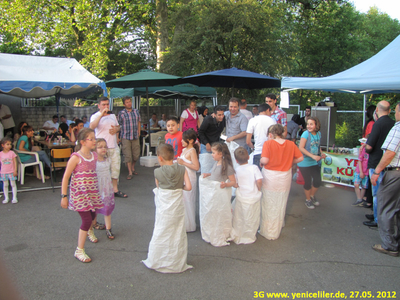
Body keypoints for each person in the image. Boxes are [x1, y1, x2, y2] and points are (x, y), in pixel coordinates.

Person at [142, 144, 192, 273]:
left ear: (160, 158)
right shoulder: (182, 169)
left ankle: (159, 258)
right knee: (177, 231)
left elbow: (158, 187)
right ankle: (176, 260)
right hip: (177, 206)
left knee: (161, 229)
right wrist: (180, 187)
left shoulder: (157, 172)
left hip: (165, 206)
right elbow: (189, 187)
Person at [60, 128, 104, 263]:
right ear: (83, 142)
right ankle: (79, 250)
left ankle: (89, 231)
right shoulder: (76, 158)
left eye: (95, 138)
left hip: (92, 193)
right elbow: (66, 177)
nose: (94, 141)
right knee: (86, 220)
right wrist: (64, 196)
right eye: (92, 139)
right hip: (80, 195)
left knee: (92, 215)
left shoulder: (94, 156)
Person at [259, 124, 303, 240]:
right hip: (285, 177)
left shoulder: (268, 143)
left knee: (268, 202)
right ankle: (278, 225)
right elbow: (300, 158)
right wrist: (289, 162)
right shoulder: (291, 144)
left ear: (270, 134)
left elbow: (265, 159)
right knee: (281, 201)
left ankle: (268, 230)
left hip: (270, 177)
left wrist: (261, 161)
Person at [370, 102, 400, 257]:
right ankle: (397, 242)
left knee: (386, 208)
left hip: (393, 173)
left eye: (396, 111)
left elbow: (389, 153)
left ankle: (389, 245)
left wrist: (376, 171)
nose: (395, 114)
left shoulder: (397, 128)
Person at [363, 101, 395, 227]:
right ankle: (377, 215)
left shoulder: (378, 124)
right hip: (389, 164)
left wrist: (365, 146)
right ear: (390, 110)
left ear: (377, 110)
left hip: (376, 162)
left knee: (376, 194)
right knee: (384, 193)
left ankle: (377, 219)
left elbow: (369, 146)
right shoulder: (394, 124)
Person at [90, 97, 127, 198]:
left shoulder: (112, 115)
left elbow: (118, 126)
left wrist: (116, 129)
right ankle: (102, 191)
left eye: (107, 104)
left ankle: (115, 190)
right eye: (103, 105)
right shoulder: (95, 116)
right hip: (101, 148)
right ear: (99, 106)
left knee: (115, 169)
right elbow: (92, 127)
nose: (106, 106)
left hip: (113, 146)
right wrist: (101, 115)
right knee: (102, 170)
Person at [201, 142, 236, 246]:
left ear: (220, 154)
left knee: (219, 213)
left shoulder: (227, 167)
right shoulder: (216, 163)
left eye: (213, 152)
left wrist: (226, 184)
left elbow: (233, 182)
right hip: (213, 194)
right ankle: (213, 230)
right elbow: (215, 174)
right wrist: (209, 174)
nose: (212, 154)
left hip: (220, 195)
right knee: (213, 212)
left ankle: (220, 231)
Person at [231, 146, 262, 244]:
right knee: (252, 215)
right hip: (253, 195)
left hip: (242, 196)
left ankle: (240, 232)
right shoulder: (254, 168)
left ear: (236, 160)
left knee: (240, 216)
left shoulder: (237, 170)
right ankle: (250, 233)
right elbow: (259, 180)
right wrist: (258, 188)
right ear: (248, 157)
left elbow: (235, 184)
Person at [297, 117, 326, 209]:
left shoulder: (318, 134)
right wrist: (313, 156)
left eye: (311, 124)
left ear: (316, 125)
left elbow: (317, 145)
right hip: (304, 161)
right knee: (308, 181)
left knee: (317, 180)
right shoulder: (305, 134)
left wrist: (321, 153)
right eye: (308, 124)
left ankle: (312, 196)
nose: (309, 126)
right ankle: (308, 199)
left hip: (313, 162)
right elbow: (301, 148)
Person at [177, 129, 200, 232]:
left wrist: (183, 163)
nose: (181, 141)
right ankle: (184, 223)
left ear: (190, 140)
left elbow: (196, 167)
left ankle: (189, 224)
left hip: (190, 178)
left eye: (183, 140)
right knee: (183, 200)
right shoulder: (184, 150)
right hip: (183, 176)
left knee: (189, 200)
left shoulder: (192, 151)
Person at [94, 138, 115, 239]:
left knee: (107, 208)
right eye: (100, 147)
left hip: (106, 188)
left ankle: (108, 228)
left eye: (105, 147)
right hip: (96, 187)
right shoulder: (93, 161)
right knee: (94, 208)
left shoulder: (108, 160)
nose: (103, 149)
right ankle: (94, 224)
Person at [246, 103, 276, 169]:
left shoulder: (252, 120)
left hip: (257, 152)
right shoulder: (273, 121)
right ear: (268, 110)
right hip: (270, 153)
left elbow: (248, 141)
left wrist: (253, 147)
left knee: (258, 177)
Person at [117, 96, 141, 180]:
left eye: (130, 101)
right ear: (124, 104)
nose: (129, 103)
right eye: (127, 102)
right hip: (125, 136)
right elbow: (118, 125)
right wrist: (117, 137)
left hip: (135, 136)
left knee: (136, 154)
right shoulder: (121, 113)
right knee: (127, 155)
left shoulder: (136, 111)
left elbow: (139, 122)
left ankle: (133, 167)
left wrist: (139, 132)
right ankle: (130, 172)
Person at [0, 137, 18, 204]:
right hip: (3, 172)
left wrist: (15, 170)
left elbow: (15, 162)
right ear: (2, 145)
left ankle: (14, 197)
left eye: (10, 144)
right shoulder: (1, 154)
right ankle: (6, 198)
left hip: (11, 171)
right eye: (7, 144)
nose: (9, 146)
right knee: (5, 185)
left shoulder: (12, 153)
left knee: (13, 184)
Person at [352, 139, 369, 206]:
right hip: (359, 170)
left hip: (367, 171)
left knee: (364, 186)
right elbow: (359, 160)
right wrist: (361, 172)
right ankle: (359, 199)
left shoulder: (371, 151)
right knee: (356, 184)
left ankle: (361, 200)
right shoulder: (363, 150)